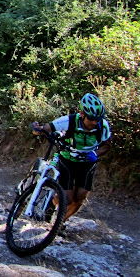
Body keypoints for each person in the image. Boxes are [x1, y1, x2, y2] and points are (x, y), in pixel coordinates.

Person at [31, 93, 112, 224]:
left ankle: (59, 224)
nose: (95, 122)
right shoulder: (69, 121)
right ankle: (52, 205)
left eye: (98, 118)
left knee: (79, 197)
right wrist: (37, 129)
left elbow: (107, 145)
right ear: (82, 114)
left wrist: (95, 154)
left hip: (87, 163)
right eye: (91, 118)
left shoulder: (102, 126)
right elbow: (44, 129)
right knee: (67, 198)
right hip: (68, 160)